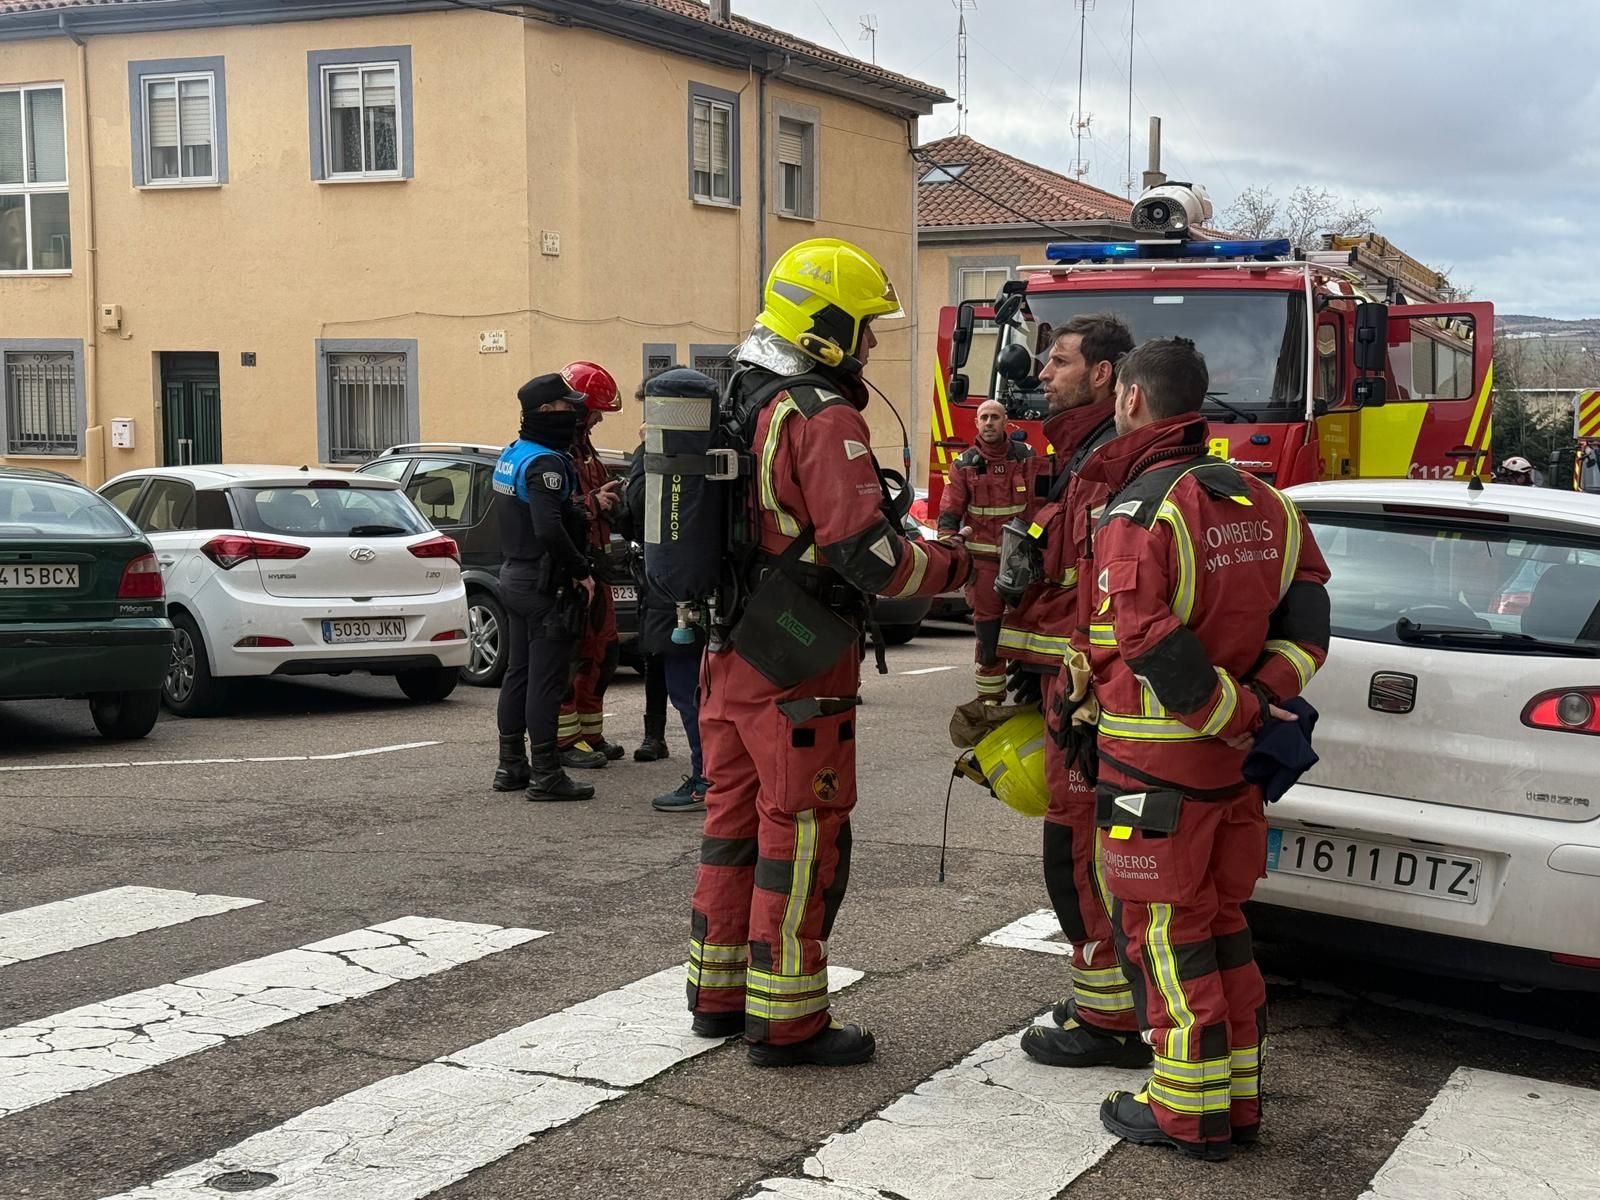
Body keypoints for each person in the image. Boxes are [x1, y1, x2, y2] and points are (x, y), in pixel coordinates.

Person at [685, 239, 971, 1067]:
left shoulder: (740, 395)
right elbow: (870, 557)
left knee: (731, 826)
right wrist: (955, 563)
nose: (872, 344)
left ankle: (718, 995)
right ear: (826, 326)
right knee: (805, 831)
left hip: (727, 651)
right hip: (797, 662)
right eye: (865, 327)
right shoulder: (819, 414)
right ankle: (788, 1019)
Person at [1072, 337, 1331, 1161]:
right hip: (1234, 771)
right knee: (1222, 927)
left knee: (1162, 932)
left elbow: (1143, 636)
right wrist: (1259, 704)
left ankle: (1183, 1110)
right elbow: (1309, 628)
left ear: (1134, 399)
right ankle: (1233, 1101)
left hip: (1157, 769)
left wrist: (1224, 711)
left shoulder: (1144, 510)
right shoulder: (1269, 502)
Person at [992, 316, 1144, 1070]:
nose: (1042, 375)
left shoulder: (1099, 467)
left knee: (1078, 852)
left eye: (1059, 362)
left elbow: (1088, 602)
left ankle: (1108, 1022)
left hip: (1085, 701)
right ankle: (1107, 1002)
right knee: (1080, 850)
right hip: (1069, 688)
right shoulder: (1078, 457)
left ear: (1106, 375)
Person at [491, 373, 599, 803]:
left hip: (513, 575)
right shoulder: (547, 463)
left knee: (518, 672)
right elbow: (549, 527)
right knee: (546, 681)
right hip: (544, 583)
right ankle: (546, 774)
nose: (575, 413)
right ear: (546, 412)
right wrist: (581, 571)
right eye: (567, 406)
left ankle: (510, 765)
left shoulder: (514, 453)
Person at [618, 368, 717, 813]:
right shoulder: (719, 442)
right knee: (715, 694)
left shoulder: (656, 456)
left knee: (687, 693)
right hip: (717, 587)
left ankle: (705, 779)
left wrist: (642, 460)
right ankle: (723, 777)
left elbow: (639, 510)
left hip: (671, 593)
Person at [938, 398, 1034, 702]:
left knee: (1030, 626)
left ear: (1006, 421)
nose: (989, 423)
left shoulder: (1026, 457)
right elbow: (950, 511)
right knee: (988, 633)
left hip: (1022, 560)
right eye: (984, 418)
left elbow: (1041, 504)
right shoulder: (964, 464)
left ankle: (1030, 696)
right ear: (976, 423)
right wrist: (949, 548)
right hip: (984, 563)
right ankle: (989, 703)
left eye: (995, 417)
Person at [556, 361, 626, 769]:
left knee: (605, 654)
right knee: (573, 656)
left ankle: (589, 733)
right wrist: (591, 503)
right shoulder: (555, 453)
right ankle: (564, 742)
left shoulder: (585, 451)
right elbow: (552, 511)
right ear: (579, 409)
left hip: (597, 566)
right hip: (573, 569)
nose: (600, 417)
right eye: (596, 410)